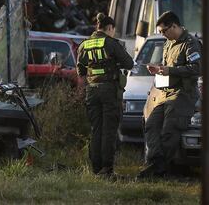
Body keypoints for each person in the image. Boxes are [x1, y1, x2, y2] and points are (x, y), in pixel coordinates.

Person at [139, 11, 201, 178]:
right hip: (164, 93)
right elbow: (167, 67)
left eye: (164, 31)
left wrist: (169, 70)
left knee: (169, 131)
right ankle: (156, 163)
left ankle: (158, 171)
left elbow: (197, 68)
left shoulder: (190, 43)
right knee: (151, 124)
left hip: (182, 94)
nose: (163, 34)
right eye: (160, 32)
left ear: (174, 26)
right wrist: (158, 68)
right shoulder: (168, 43)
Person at [77, 13, 133, 176]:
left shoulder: (84, 44)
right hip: (109, 90)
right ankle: (107, 169)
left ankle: (95, 168)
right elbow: (129, 63)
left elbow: (80, 70)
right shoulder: (111, 43)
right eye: (113, 30)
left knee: (96, 129)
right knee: (109, 130)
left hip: (92, 90)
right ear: (110, 28)